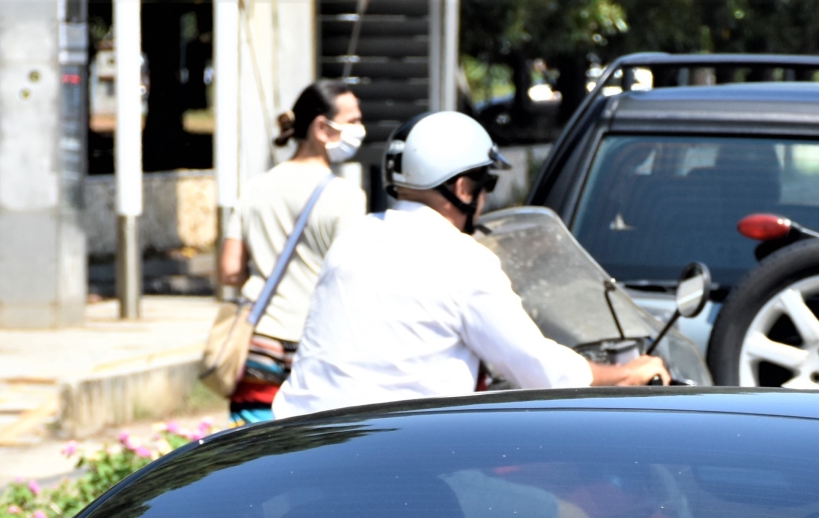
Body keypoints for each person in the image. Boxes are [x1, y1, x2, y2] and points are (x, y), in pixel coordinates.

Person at [273, 111, 666, 419]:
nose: (485, 197)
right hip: (390, 460)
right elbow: (539, 369)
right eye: (487, 184)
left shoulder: (353, 238)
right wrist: (625, 375)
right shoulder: (464, 259)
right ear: (463, 188)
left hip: (301, 437)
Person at [218, 81, 368, 423]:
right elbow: (351, 278)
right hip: (316, 344)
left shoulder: (255, 187)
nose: (361, 130)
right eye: (353, 121)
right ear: (321, 127)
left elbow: (228, 270)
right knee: (311, 454)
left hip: (259, 339)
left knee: (251, 451)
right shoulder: (346, 197)